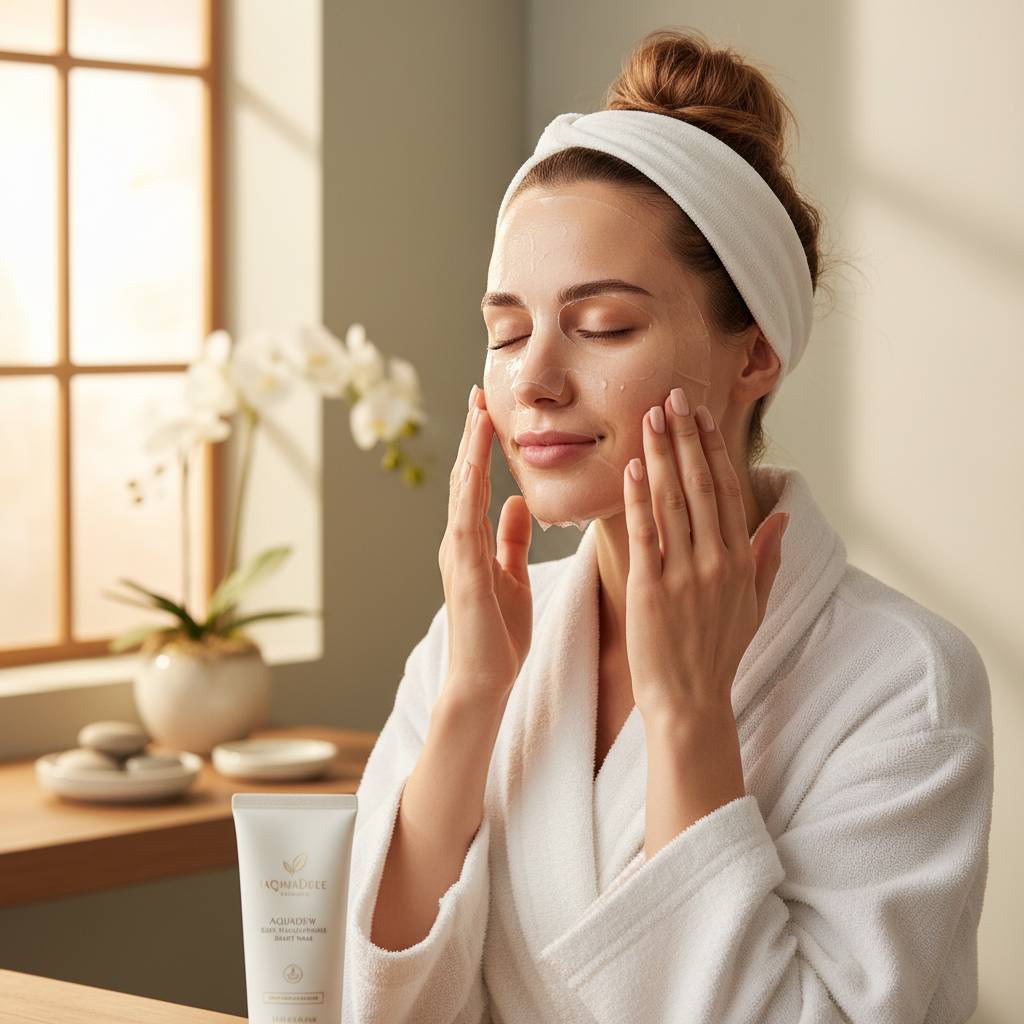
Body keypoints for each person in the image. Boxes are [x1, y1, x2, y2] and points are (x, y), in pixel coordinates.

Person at [342, 29, 992, 1024]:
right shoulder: (474, 649)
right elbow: (372, 1012)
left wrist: (689, 716)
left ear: (754, 354)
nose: (535, 381)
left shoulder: (903, 680)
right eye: (507, 332)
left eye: (603, 326)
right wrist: (472, 702)